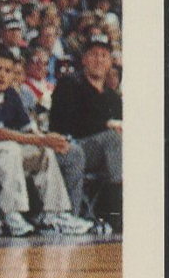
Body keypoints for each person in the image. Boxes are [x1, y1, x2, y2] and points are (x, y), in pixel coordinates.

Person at [0, 46, 91, 237]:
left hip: (3, 151)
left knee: (44, 152)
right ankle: (11, 214)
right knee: (10, 148)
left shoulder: (11, 95)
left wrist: (51, 141)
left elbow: (28, 128)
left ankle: (54, 214)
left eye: (7, 71)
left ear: (13, 74)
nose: (2, 75)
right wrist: (42, 139)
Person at [49, 31, 123, 227]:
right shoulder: (70, 84)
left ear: (110, 62)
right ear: (84, 59)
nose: (99, 60)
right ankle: (117, 207)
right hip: (71, 145)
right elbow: (65, 124)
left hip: (106, 155)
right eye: (94, 54)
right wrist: (105, 124)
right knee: (113, 138)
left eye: (104, 55)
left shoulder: (113, 97)